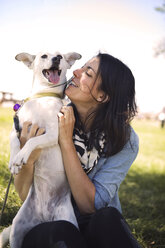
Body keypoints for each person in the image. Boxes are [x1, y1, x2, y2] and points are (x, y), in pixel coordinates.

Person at [14, 53, 140, 248]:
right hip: (48, 223)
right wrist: (28, 157)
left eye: (87, 73)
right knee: (61, 230)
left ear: (102, 96)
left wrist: (66, 141)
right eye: (82, 67)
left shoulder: (125, 139)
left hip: (93, 223)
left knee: (107, 217)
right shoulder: (50, 116)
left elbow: (90, 205)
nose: (75, 71)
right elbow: (23, 194)